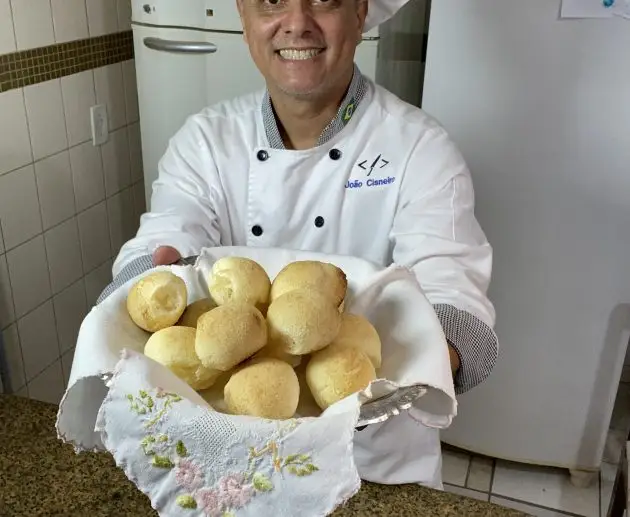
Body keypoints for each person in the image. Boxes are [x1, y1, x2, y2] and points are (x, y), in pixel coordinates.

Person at [102, 0, 498, 489]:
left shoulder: (420, 149)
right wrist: (142, 285)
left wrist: (428, 355)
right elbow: (163, 237)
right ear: (244, 18)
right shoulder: (204, 141)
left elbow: (453, 296)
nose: (296, 22)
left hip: (370, 463)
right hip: (228, 456)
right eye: (271, 0)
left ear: (359, 13)